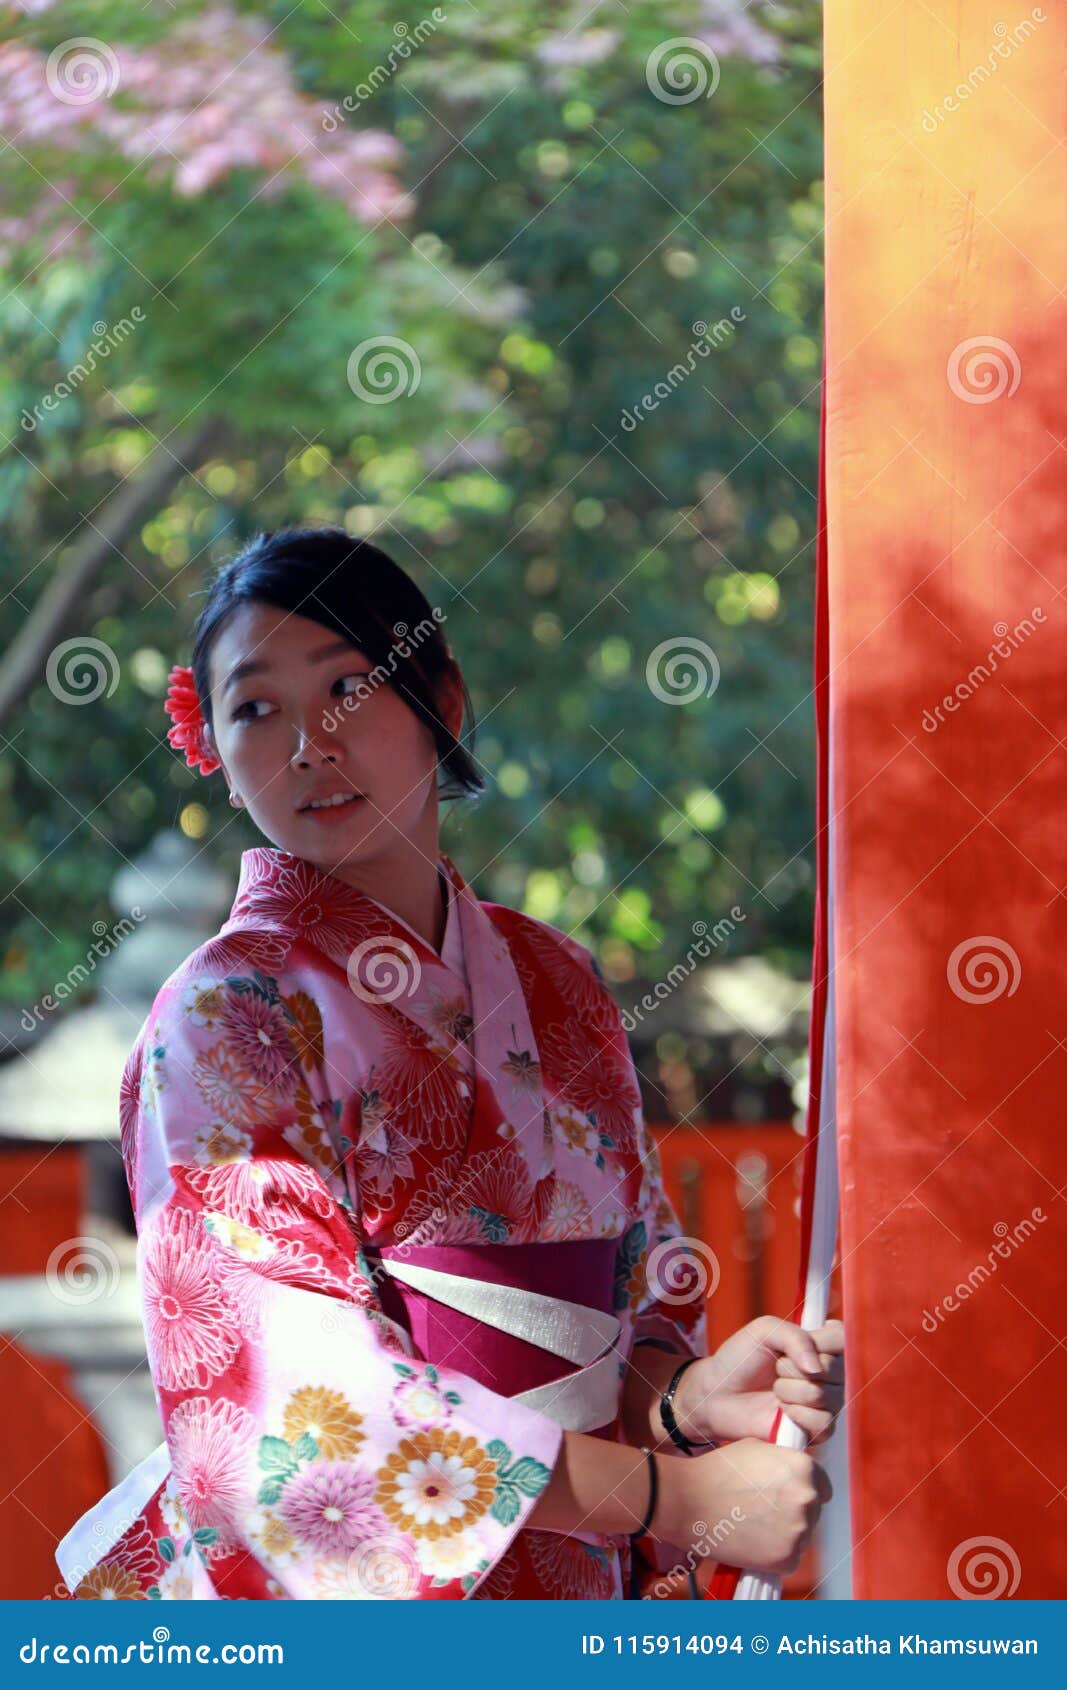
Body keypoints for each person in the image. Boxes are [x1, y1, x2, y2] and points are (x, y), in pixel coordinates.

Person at [56, 527, 843, 1601]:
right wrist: (676, 1498)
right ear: (218, 754)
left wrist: (680, 1402)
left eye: (346, 686)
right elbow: (300, 1400)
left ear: (445, 702)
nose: (305, 745)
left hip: (576, 1570)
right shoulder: (222, 1013)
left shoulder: (553, 978)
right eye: (254, 708)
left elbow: (625, 1291)